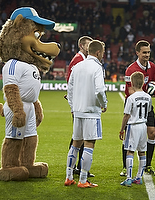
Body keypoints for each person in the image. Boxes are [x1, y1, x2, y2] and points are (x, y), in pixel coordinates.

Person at [65, 40, 107, 188]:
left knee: (76, 144)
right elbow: (100, 90)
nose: (103, 55)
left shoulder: (77, 66)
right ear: (98, 52)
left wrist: (73, 106)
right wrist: (104, 104)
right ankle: (83, 180)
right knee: (89, 144)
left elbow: (69, 89)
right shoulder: (97, 67)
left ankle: (69, 177)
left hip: (78, 111)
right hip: (91, 112)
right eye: (102, 52)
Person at [120, 40, 155, 177]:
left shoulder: (153, 67)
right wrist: (146, 95)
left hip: (146, 104)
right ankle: (125, 167)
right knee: (128, 136)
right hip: (133, 105)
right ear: (137, 52)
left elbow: (153, 84)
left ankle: (148, 164)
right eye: (144, 52)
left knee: (152, 133)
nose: (147, 55)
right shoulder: (130, 69)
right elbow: (130, 91)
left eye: (148, 52)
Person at [65, 36, 94, 177]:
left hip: (79, 102)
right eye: (88, 45)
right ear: (82, 46)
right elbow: (71, 80)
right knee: (80, 137)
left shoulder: (81, 59)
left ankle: (77, 167)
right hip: (80, 104)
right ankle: (78, 167)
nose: (91, 47)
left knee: (80, 136)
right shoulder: (78, 59)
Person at [119, 71, 152, 186]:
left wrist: (122, 129)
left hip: (133, 126)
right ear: (143, 83)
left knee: (130, 151)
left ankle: (128, 178)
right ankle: (138, 177)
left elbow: (126, 115)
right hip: (144, 126)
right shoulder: (148, 97)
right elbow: (148, 111)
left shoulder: (131, 98)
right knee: (142, 152)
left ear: (132, 83)